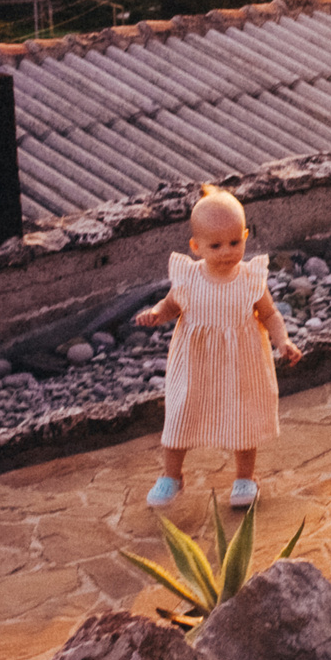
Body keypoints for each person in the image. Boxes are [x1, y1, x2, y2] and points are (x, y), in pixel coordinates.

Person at [135, 187, 299, 510]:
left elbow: (269, 314)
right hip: (195, 365)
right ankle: (172, 476)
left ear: (246, 236)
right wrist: (156, 314)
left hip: (241, 365)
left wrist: (283, 341)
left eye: (235, 242)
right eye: (216, 245)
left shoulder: (250, 279)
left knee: (243, 420)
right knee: (180, 416)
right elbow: (171, 306)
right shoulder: (189, 278)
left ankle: (245, 478)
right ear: (196, 247)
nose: (227, 252)